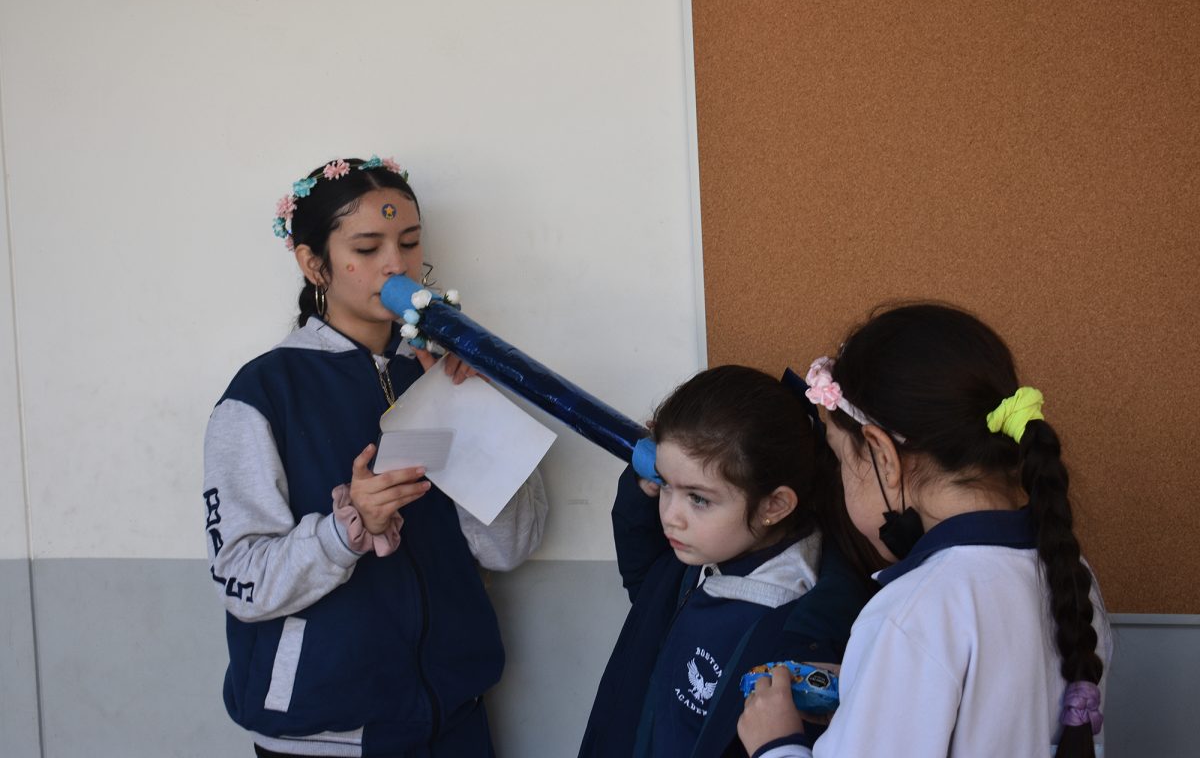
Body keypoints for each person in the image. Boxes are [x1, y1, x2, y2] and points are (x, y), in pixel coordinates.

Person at [203, 156, 548, 757]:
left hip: (456, 722)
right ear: (314, 263)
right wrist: (345, 530)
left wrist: (476, 416)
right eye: (368, 247)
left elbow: (508, 547)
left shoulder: (443, 370)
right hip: (322, 734)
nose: (397, 264)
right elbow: (242, 581)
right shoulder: (263, 394)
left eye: (410, 242)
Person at [738, 303, 1112, 758]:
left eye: (841, 461)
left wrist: (775, 743)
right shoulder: (1071, 576)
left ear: (881, 455)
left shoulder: (913, 610)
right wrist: (865, 698)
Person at [579, 365, 879, 758]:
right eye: (665, 484)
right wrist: (640, 490)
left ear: (774, 504)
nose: (671, 514)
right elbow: (643, 579)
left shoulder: (799, 637)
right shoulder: (696, 560)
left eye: (698, 498)